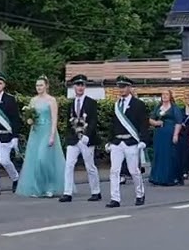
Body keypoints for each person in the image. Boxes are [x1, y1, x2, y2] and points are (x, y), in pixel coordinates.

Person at [16, 76, 66, 198]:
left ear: (46, 86)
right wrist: (29, 120)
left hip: (47, 131)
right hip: (36, 132)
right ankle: (38, 188)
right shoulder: (33, 100)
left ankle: (50, 186)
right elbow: (30, 117)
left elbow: (54, 119)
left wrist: (52, 135)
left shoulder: (51, 100)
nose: (39, 87)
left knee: (43, 160)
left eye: (41, 85)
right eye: (37, 85)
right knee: (34, 161)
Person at [106, 75, 148, 207]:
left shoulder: (138, 104)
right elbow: (113, 125)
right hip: (117, 142)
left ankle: (140, 194)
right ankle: (115, 198)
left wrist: (144, 141)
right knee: (114, 171)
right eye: (120, 87)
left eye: (124, 87)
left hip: (131, 142)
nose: (122, 89)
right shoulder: (116, 105)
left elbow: (143, 124)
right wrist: (109, 141)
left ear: (130, 87)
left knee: (134, 170)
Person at [59, 74, 102, 203]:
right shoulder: (71, 103)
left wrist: (87, 135)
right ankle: (67, 192)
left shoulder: (91, 102)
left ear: (85, 86)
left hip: (86, 139)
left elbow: (94, 120)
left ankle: (96, 191)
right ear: (74, 87)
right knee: (69, 165)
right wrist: (69, 137)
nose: (80, 87)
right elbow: (68, 122)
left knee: (90, 166)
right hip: (73, 139)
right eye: (78, 85)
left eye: (82, 85)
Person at [150, 89, 185, 185]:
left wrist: (175, 135)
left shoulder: (174, 108)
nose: (164, 96)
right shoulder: (158, 107)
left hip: (170, 133)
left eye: (166, 94)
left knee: (169, 155)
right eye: (163, 94)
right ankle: (157, 177)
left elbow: (178, 122)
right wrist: (156, 123)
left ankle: (170, 178)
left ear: (170, 96)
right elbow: (151, 119)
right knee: (159, 154)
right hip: (159, 134)